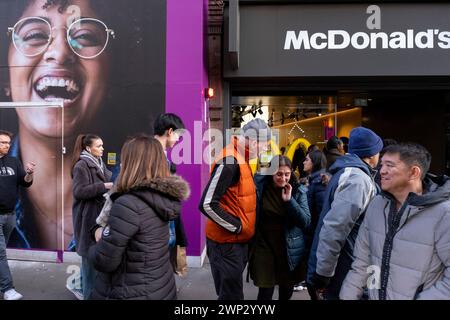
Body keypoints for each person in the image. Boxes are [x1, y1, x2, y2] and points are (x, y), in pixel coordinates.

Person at [0, 0, 166, 251]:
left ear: (111, 77)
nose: (60, 52)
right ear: (6, 80)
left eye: (85, 37)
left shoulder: (131, 174)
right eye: (34, 35)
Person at [340, 143, 450, 300]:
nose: (381, 171)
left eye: (389, 165)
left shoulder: (443, 213)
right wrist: (348, 295)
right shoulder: (376, 205)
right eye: (382, 164)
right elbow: (363, 262)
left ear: (414, 172)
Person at [88, 135, 190, 300]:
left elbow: (104, 260)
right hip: (160, 286)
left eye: (125, 159)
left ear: (132, 163)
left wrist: (97, 237)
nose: (121, 164)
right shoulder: (162, 197)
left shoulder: (128, 204)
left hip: (129, 290)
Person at [199, 118, 271, 300]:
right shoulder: (230, 161)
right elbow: (207, 204)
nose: (265, 150)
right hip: (226, 245)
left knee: (230, 295)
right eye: (265, 145)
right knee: (231, 298)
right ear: (254, 142)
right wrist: (237, 227)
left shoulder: (241, 159)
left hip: (234, 244)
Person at [307, 127, 383, 300]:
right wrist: (323, 274)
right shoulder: (356, 179)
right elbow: (335, 229)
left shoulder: (351, 173)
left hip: (346, 262)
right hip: (345, 265)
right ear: (371, 154)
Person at [249, 155, 310, 300]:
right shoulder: (259, 187)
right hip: (264, 246)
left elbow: (305, 222)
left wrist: (290, 202)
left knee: (286, 289)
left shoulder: (298, 190)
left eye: (287, 174)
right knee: (265, 290)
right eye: (279, 174)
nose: (283, 178)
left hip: (288, 247)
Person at [71, 133, 112, 300]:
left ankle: (77, 287)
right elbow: (79, 191)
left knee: (93, 263)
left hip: (98, 217)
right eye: (98, 146)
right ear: (88, 148)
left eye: (102, 145)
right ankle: (88, 295)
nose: (102, 149)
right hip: (87, 218)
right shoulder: (81, 165)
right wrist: (104, 186)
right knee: (89, 264)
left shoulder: (98, 163)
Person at [0, 130, 35, 300]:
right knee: (0, 253)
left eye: (8, 142)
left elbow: (25, 183)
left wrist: (29, 173)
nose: (7, 145)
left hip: (10, 215)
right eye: (3, 142)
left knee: (1, 252)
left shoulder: (13, 162)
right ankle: (7, 289)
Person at [153, 113, 189, 276]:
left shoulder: (158, 153)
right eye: (178, 135)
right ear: (169, 131)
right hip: (155, 225)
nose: (178, 139)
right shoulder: (153, 154)